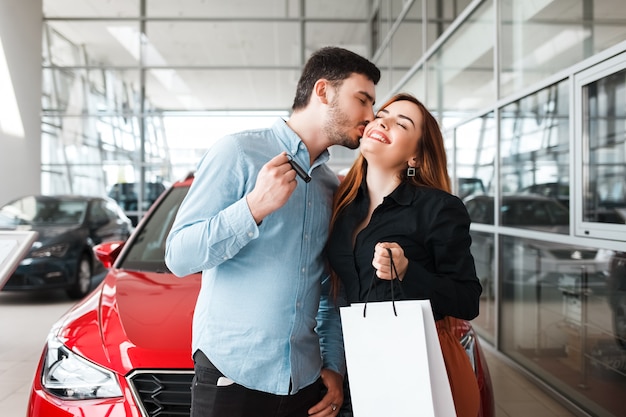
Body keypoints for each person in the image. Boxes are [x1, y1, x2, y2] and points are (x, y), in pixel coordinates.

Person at [165, 46, 380, 417]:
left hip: (303, 381)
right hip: (231, 374)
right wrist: (253, 208)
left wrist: (332, 365)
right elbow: (179, 257)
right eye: (362, 100)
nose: (370, 116)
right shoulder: (237, 152)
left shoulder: (331, 186)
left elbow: (328, 287)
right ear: (323, 91)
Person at [326, 93, 482, 417]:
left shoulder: (438, 208)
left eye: (402, 123)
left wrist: (407, 271)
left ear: (415, 157)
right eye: (381, 115)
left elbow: (468, 300)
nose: (383, 121)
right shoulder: (342, 207)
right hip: (355, 364)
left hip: (415, 365)